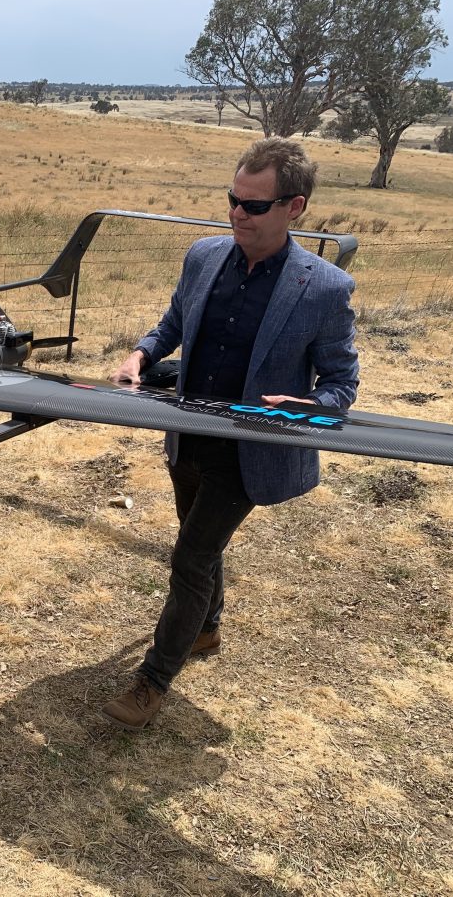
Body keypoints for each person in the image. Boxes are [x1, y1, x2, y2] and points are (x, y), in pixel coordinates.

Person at [101, 137, 360, 731]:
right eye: (232, 200)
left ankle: (152, 681)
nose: (237, 214)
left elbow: (341, 384)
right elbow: (173, 321)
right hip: (186, 435)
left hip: (249, 454)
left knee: (190, 556)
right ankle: (208, 627)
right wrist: (141, 355)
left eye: (254, 206)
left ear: (294, 208)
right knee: (200, 541)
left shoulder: (323, 288)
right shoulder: (204, 255)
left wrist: (306, 406)